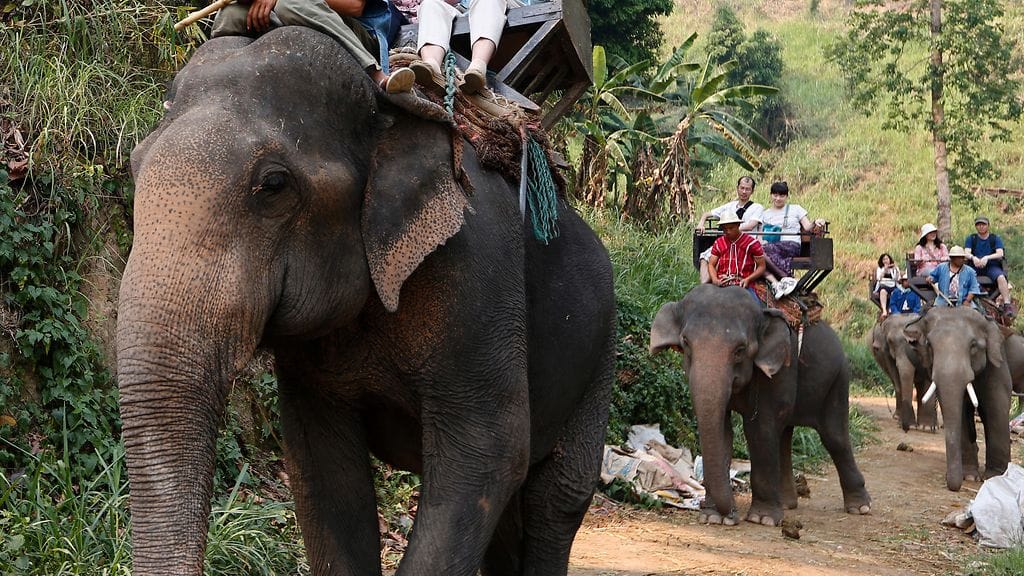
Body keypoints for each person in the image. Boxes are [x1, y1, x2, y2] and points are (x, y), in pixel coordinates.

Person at [211, 0, 415, 93]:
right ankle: (211, 74)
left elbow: (355, 6)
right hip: (288, 19)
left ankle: (375, 75)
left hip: (357, 33)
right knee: (231, 12)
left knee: (291, 4)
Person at [411, 0, 510, 94]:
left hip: (504, 9)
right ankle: (432, 68)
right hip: (463, 11)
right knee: (430, 4)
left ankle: (478, 67)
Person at [759, 181, 826, 295]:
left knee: (764, 250)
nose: (778, 198)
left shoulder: (795, 209)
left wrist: (816, 222)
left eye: (782, 195)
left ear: (786, 196)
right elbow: (760, 234)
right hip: (771, 246)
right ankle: (776, 283)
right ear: (771, 195)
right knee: (756, 255)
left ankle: (786, 276)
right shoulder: (765, 214)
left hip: (790, 245)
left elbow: (807, 226)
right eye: (775, 195)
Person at [695, 176, 764, 283]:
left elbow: (751, 225)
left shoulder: (757, 207)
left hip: (745, 244)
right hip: (726, 242)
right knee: (704, 256)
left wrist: (731, 229)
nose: (744, 191)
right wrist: (701, 223)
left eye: (747, 189)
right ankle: (704, 285)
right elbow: (707, 213)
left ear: (752, 191)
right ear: (737, 188)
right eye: (742, 188)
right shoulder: (729, 206)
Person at [707, 210, 766, 303]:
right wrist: (715, 279)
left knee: (755, 307)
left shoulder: (752, 243)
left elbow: (762, 266)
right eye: (725, 229)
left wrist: (748, 279)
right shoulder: (718, 243)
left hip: (743, 283)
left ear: (738, 225)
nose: (728, 231)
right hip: (722, 282)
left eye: (731, 228)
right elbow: (711, 264)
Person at [965, 215, 1014, 317]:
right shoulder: (971, 238)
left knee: (1001, 277)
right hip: (975, 266)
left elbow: (1000, 253)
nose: (981, 227)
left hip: (991, 266)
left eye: (983, 224)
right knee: (967, 274)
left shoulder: (994, 238)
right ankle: (977, 295)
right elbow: (966, 252)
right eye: (978, 225)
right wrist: (974, 258)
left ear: (988, 225)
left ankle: (1007, 304)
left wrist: (987, 257)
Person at [874, 252, 901, 319]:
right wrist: (885, 270)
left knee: (895, 292)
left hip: (893, 285)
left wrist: (896, 271)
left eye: (887, 259)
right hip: (883, 285)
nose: (886, 260)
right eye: (884, 259)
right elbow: (879, 278)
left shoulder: (894, 268)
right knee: (883, 292)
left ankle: (892, 309)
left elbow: (897, 279)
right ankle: (884, 310)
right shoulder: (880, 268)